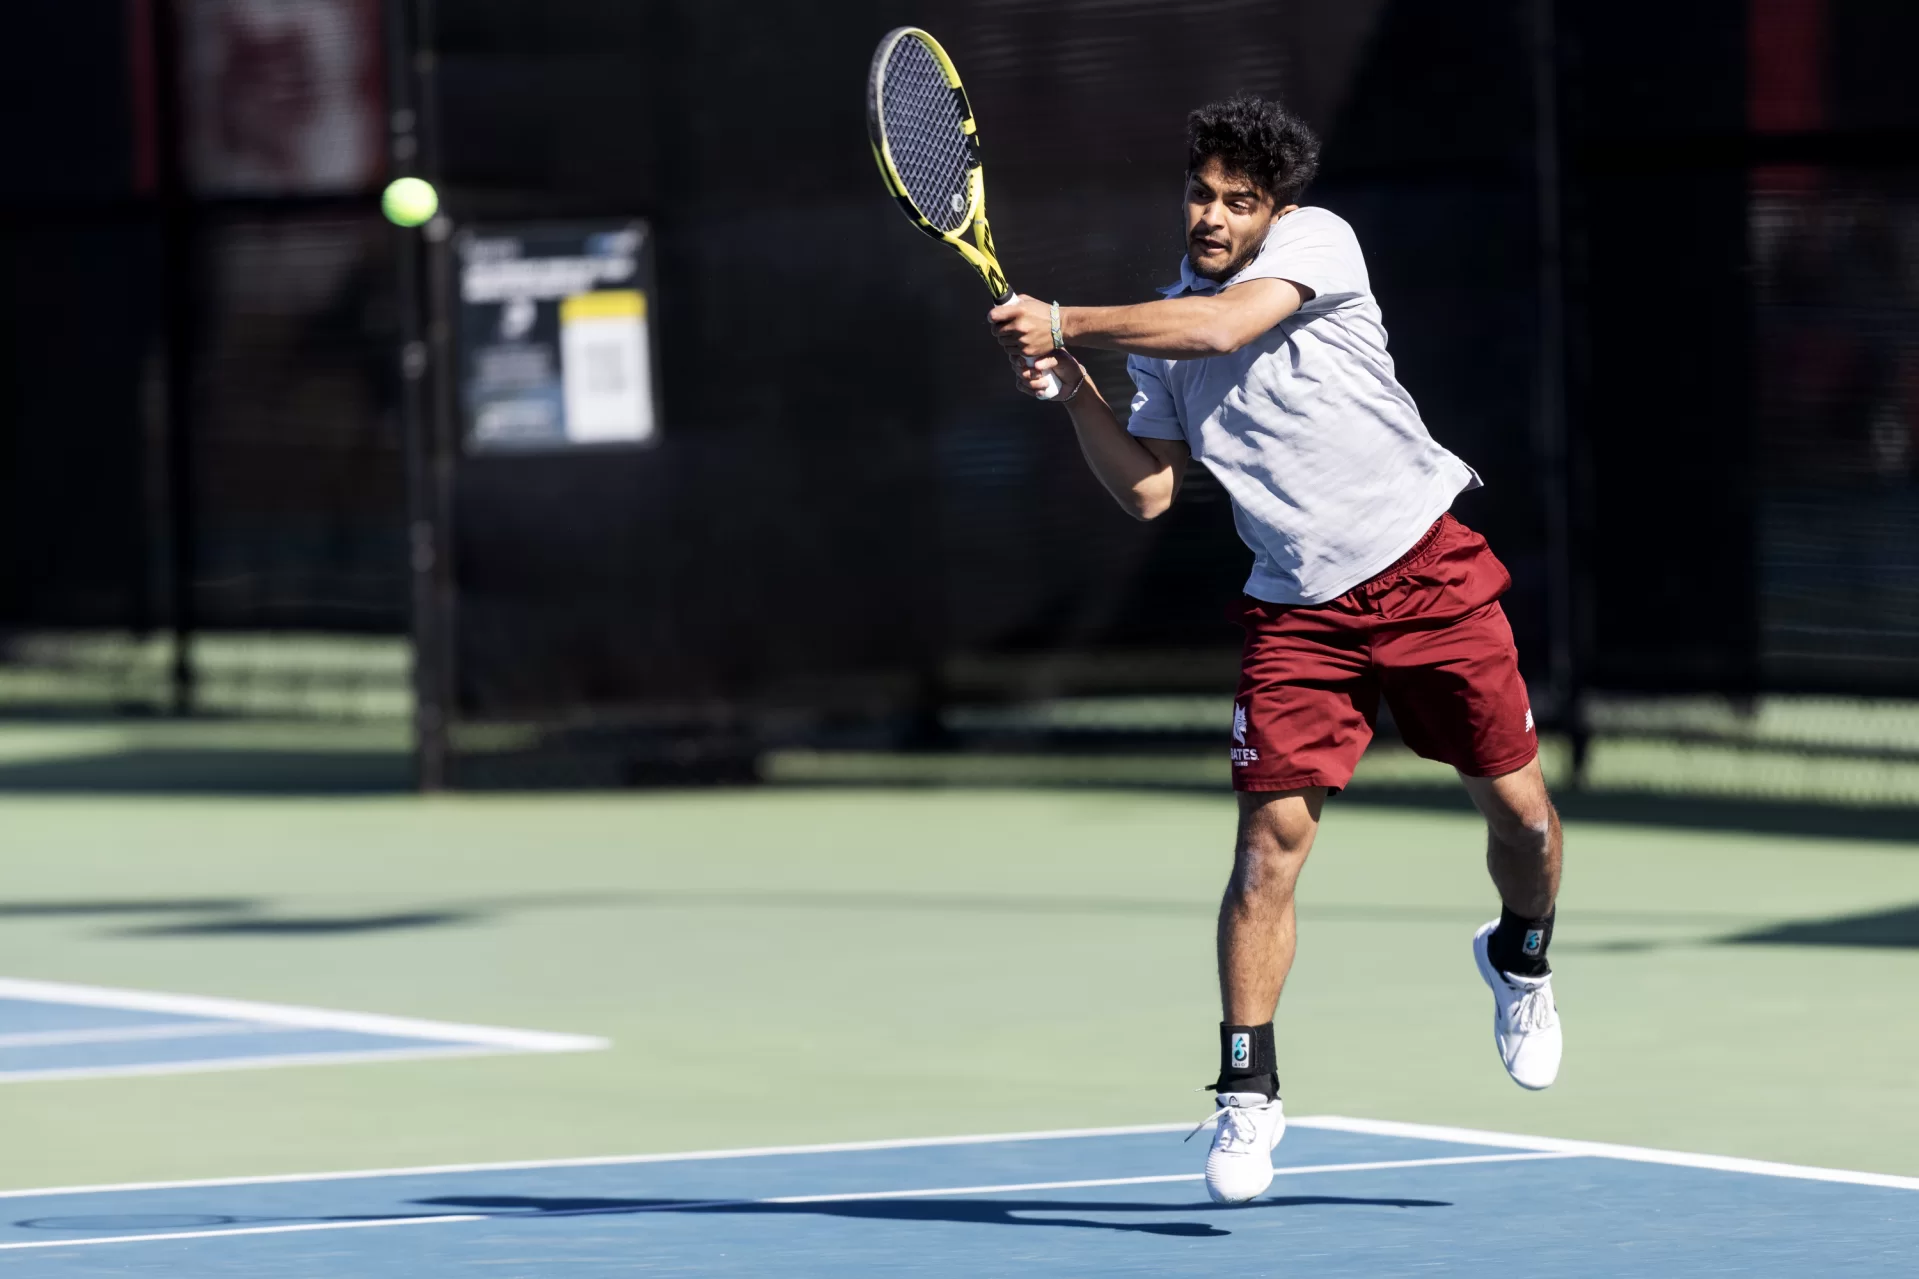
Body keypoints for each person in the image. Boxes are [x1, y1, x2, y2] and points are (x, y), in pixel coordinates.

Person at [988, 94, 1563, 1207]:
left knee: (1521, 817)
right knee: (1267, 850)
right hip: (1296, 611)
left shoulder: (1317, 244)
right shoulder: (1154, 322)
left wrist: (1061, 321)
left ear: (1273, 209)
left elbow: (1219, 328)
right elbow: (1149, 491)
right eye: (1199, 194)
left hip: (1426, 571)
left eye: (1234, 200)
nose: (1210, 215)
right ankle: (1246, 1092)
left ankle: (1521, 956)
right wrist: (1069, 393)